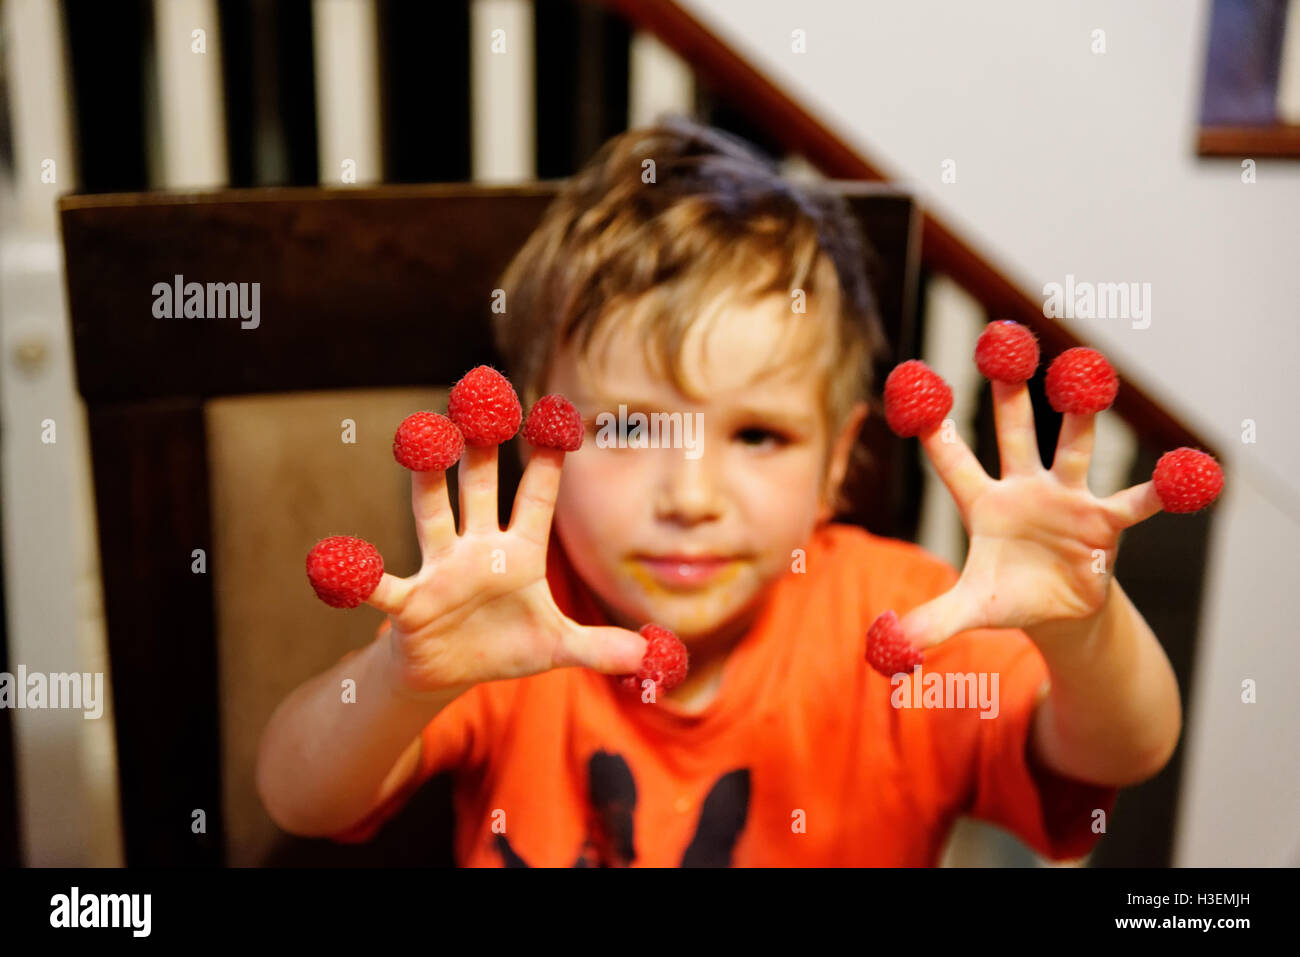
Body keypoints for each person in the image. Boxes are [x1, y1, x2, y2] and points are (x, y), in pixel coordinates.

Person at [255, 116, 1181, 866]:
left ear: (834, 464)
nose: (690, 494)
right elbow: (298, 794)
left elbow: (1121, 749)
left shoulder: (908, 621)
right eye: (627, 427)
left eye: (757, 435)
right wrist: (395, 681)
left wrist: (1080, 623)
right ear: (547, 442)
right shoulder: (504, 633)